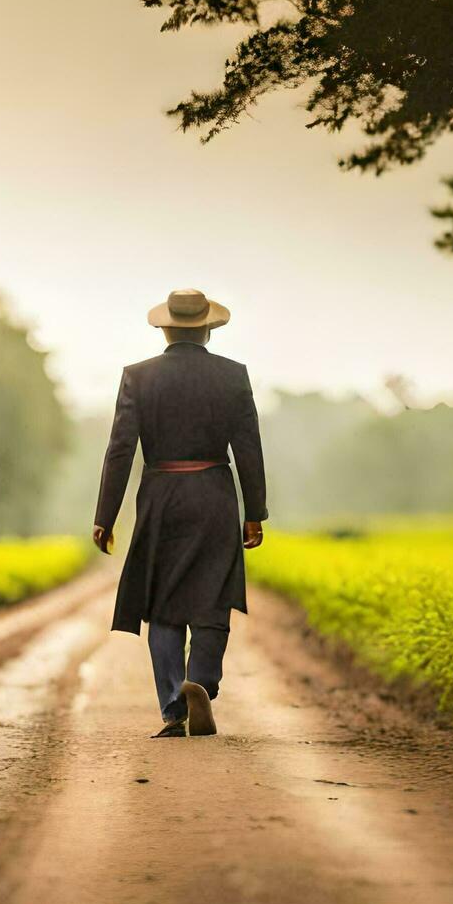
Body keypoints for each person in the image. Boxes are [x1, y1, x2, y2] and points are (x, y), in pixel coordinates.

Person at [92, 288, 268, 738]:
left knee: (164, 606)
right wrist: (255, 512)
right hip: (214, 494)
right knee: (212, 600)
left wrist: (105, 516)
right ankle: (202, 683)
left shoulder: (139, 377)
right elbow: (248, 448)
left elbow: (119, 451)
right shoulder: (233, 376)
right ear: (208, 330)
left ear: (164, 328)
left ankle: (174, 708)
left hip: (161, 497)